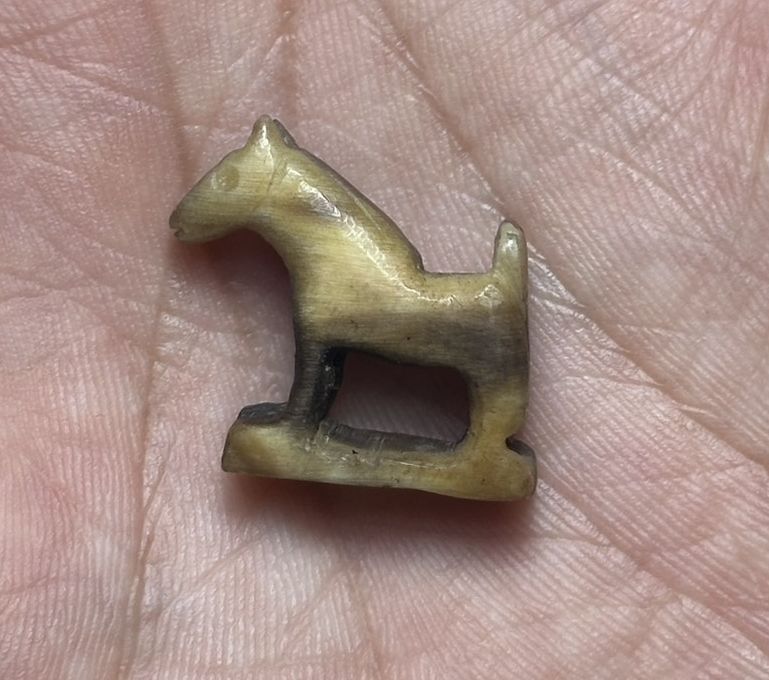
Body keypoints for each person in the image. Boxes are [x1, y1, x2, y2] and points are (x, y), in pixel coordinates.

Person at [2, 1, 768, 677]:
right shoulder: (327, 230)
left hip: (414, 319)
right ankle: (337, 426)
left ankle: (421, 433)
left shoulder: (335, 253)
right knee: (330, 337)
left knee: (337, 334)